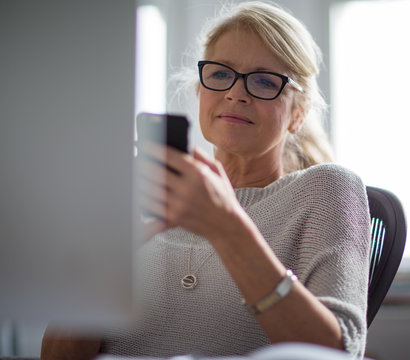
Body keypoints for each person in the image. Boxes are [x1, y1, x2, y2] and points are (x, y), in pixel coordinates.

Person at [41, 1, 371, 359]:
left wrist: (228, 228)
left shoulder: (325, 190)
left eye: (263, 80)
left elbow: (340, 352)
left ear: (298, 114)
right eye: (219, 74)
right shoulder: (139, 197)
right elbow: (56, 355)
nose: (235, 93)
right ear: (199, 91)